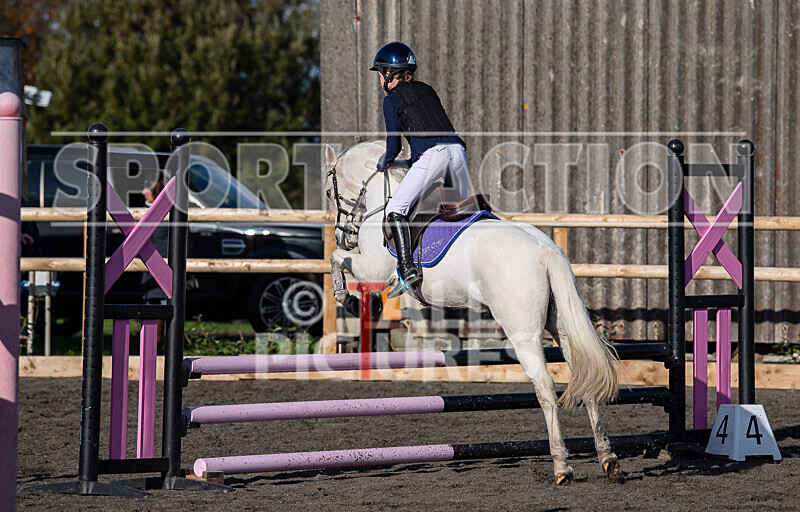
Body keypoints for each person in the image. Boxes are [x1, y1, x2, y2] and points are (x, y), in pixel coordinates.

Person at [371, 41, 469, 290]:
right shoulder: (427, 90)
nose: (380, 80)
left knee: (395, 209)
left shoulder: (392, 99)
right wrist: (412, 162)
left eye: (381, 73)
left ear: (388, 73)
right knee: (457, 212)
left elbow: (393, 144)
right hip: (457, 153)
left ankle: (407, 270)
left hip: (433, 156)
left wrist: (388, 160)